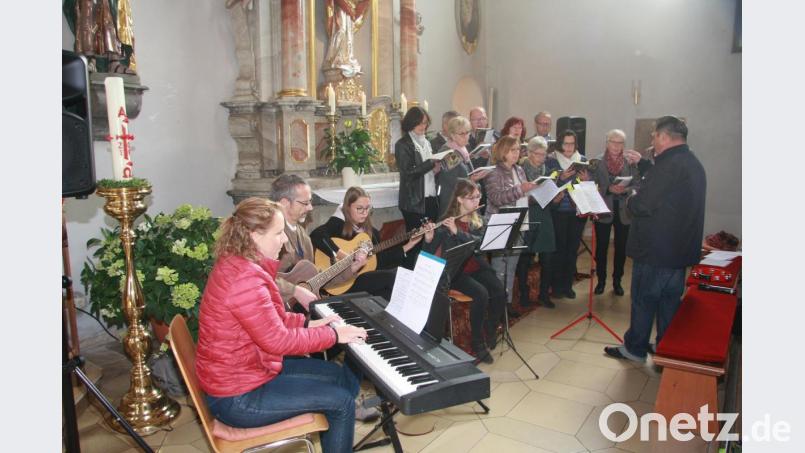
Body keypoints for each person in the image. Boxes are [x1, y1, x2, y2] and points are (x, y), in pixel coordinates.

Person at [196, 197, 369, 453]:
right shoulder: (244, 279)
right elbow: (278, 341)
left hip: (249, 371)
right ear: (254, 235)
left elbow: (270, 321)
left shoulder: (239, 264)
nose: (285, 239)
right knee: (342, 402)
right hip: (238, 397)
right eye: (278, 233)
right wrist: (333, 335)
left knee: (339, 377)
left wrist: (310, 324)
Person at [604, 116, 706, 363]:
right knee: (669, 301)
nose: (652, 141)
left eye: (654, 136)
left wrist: (631, 198)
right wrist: (644, 166)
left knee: (644, 298)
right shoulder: (690, 161)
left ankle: (635, 348)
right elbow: (666, 190)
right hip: (677, 249)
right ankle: (664, 345)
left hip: (656, 250)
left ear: (664, 137)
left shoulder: (668, 165)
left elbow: (644, 204)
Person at [423, 179, 505, 363]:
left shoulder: (477, 220)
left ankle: (490, 328)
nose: (476, 202)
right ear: (459, 199)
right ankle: (477, 343)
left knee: (499, 291)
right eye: (471, 198)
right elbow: (429, 254)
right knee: (481, 294)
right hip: (457, 271)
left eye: (478, 197)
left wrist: (458, 232)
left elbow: (480, 243)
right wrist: (428, 239)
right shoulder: (446, 222)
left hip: (476, 266)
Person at [269, 174, 367, 311]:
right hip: (274, 310)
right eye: (305, 203)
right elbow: (258, 277)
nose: (310, 208)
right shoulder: (267, 234)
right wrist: (294, 291)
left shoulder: (303, 236)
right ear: (284, 203)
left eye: (310, 202)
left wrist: (351, 268)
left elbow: (315, 279)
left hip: (297, 311)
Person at [310, 186, 423, 300]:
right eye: (359, 208)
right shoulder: (338, 224)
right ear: (348, 207)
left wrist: (410, 245)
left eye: (367, 208)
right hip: (339, 284)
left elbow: (380, 260)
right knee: (392, 276)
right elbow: (317, 235)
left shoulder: (372, 233)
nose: (364, 213)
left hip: (358, 278)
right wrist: (344, 256)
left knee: (392, 284)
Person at [485, 136, 539, 318]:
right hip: (502, 223)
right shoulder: (494, 172)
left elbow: (523, 196)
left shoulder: (520, 169)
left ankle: (507, 303)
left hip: (520, 221)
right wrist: (521, 189)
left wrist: (534, 192)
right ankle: (497, 305)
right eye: (512, 150)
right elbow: (496, 198)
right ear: (502, 151)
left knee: (512, 266)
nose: (516, 153)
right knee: (499, 267)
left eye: (518, 149)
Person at [592, 129, 640, 296]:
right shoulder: (597, 162)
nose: (616, 146)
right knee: (601, 248)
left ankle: (617, 281)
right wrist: (608, 189)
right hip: (603, 209)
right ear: (607, 143)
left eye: (620, 143)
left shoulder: (630, 162)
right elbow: (591, 185)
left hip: (624, 211)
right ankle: (601, 281)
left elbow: (638, 184)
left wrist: (625, 190)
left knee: (621, 248)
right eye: (613, 142)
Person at [545, 130, 589, 300]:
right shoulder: (552, 160)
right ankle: (556, 286)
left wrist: (586, 181)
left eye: (572, 144)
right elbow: (547, 185)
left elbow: (588, 187)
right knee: (559, 249)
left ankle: (567, 285)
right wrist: (561, 177)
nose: (569, 147)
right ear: (560, 144)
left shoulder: (582, 160)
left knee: (572, 250)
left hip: (576, 210)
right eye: (566, 144)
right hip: (559, 211)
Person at [517, 136, 557, 308]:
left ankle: (544, 294)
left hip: (544, 215)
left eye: (544, 154)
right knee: (525, 257)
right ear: (529, 153)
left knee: (548, 256)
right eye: (538, 154)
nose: (541, 158)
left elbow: (550, 194)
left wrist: (555, 196)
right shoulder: (521, 170)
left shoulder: (547, 170)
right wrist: (534, 197)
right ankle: (524, 294)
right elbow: (518, 194)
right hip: (528, 214)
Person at [435, 116, 492, 215]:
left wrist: (475, 176)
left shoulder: (463, 150)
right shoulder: (448, 152)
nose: (466, 136)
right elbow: (453, 182)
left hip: (466, 202)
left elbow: (466, 172)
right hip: (454, 205)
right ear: (452, 135)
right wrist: (472, 179)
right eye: (462, 134)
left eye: (467, 132)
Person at [395, 106, 441, 230]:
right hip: (414, 202)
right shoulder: (402, 144)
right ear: (410, 123)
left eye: (425, 123)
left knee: (431, 236)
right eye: (419, 123)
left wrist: (435, 170)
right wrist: (430, 163)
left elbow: (426, 170)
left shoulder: (427, 142)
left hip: (430, 197)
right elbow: (408, 173)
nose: (423, 126)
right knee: (417, 237)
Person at [324, 0, 371, 78]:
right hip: (340, 6)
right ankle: (337, 58)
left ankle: (346, 58)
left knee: (348, 33)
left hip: (351, 6)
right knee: (341, 30)